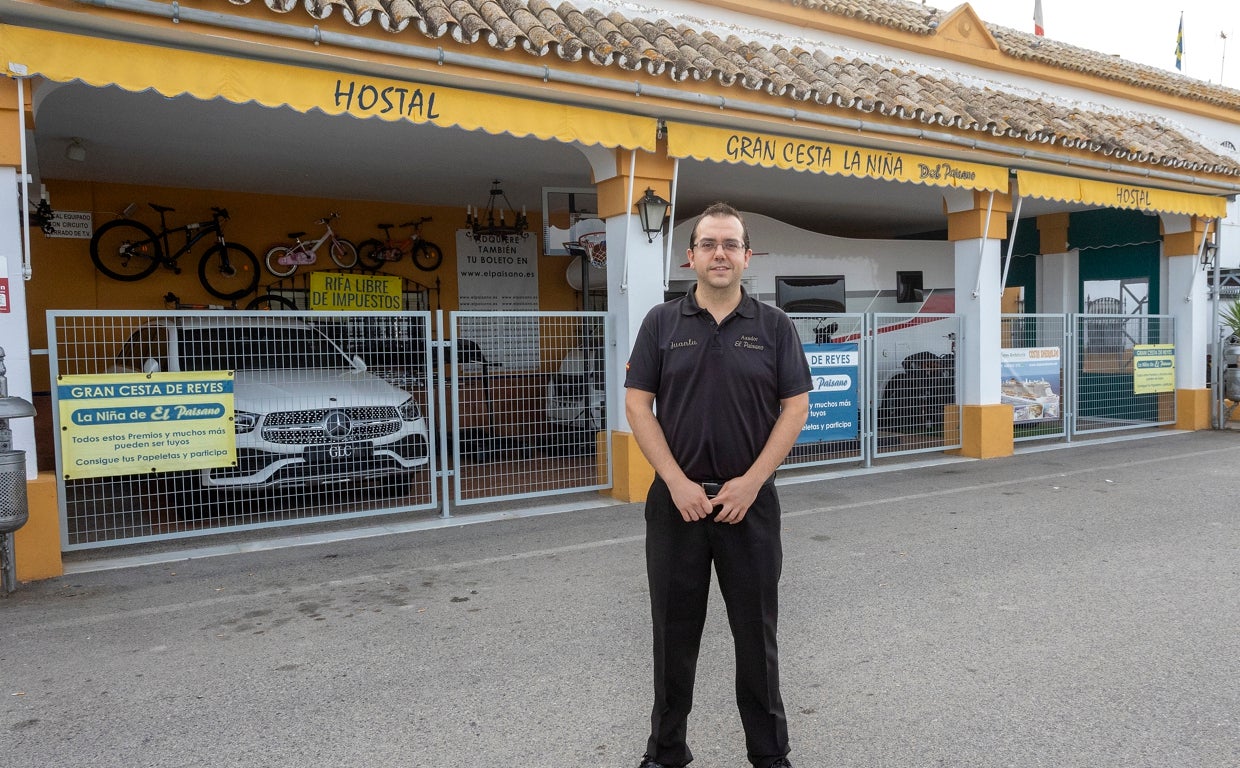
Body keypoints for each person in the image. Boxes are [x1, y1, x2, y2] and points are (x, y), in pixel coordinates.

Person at [624, 202, 812, 768]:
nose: (719, 254)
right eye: (708, 244)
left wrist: (751, 484)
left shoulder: (774, 325)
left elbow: (796, 406)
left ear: (747, 256)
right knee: (672, 638)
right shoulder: (661, 322)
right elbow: (637, 404)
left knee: (757, 638)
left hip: (748, 506)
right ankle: (665, 752)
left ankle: (770, 755)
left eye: (730, 244)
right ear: (691, 255)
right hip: (676, 505)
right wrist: (676, 482)